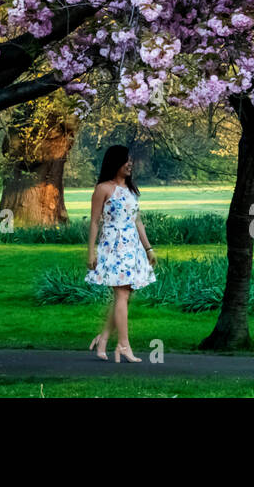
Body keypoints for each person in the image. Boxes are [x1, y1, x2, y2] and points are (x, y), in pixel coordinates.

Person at [86, 144, 156, 362]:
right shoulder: (103, 189)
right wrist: (91, 253)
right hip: (113, 246)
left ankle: (104, 338)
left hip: (132, 247)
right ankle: (123, 345)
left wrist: (148, 249)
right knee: (122, 296)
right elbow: (94, 222)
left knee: (124, 297)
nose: (130, 164)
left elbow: (138, 221)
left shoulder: (131, 190)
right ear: (115, 162)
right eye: (126, 160)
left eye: (130, 160)